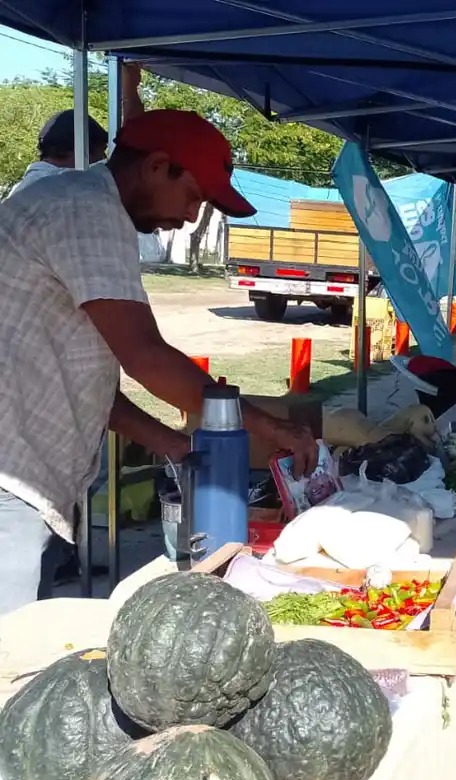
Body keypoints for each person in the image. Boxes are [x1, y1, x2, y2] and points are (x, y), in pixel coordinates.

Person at [0, 108, 318, 617]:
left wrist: (172, 443)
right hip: (9, 477)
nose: (191, 216)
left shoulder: (82, 207)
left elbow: (83, 381)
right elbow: (146, 356)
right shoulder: (86, 212)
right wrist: (268, 427)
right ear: (155, 167)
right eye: (193, 196)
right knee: (11, 643)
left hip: (25, 473)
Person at [6, 64, 144, 200]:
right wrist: (130, 90)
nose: (103, 158)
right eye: (101, 150)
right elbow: (131, 146)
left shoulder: (29, 186)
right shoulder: (63, 188)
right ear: (81, 150)